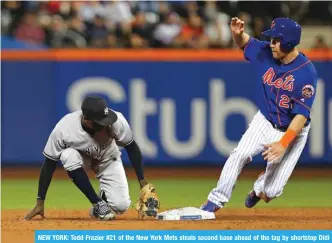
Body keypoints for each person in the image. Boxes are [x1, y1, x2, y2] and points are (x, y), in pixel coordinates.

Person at [201, 17, 318, 212]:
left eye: (276, 40)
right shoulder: (265, 52)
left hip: (292, 131)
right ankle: (216, 200)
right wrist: (237, 35)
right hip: (264, 120)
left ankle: (259, 189)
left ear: (289, 42)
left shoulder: (306, 73)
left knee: (271, 192)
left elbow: (301, 116)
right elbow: (245, 42)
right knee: (240, 154)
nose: (271, 44)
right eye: (271, 39)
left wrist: (283, 143)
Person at [24, 96, 159, 220]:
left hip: (107, 157)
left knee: (121, 206)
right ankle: (98, 203)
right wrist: (40, 201)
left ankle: (98, 207)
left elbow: (131, 147)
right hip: (81, 160)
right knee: (67, 155)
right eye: (100, 122)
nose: (105, 124)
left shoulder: (116, 120)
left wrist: (142, 179)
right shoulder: (64, 129)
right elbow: (49, 163)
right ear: (87, 120)